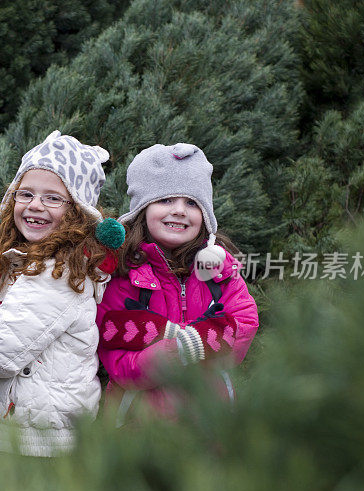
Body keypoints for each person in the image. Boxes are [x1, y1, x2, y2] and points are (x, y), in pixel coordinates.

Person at [0, 130, 124, 457]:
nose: (36, 205)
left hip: (47, 443)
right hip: (17, 429)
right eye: (26, 194)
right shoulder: (14, 261)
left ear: (78, 212)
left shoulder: (61, 271)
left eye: (53, 198)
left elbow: (2, 351)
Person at [96, 143, 258, 424]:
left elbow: (244, 322)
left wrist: (191, 343)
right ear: (142, 209)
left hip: (208, 422)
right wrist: (172, 353)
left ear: (205, 216)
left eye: (192, 203)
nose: (180, 211)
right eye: (166, 200)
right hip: (136, 425)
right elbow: (115, 349)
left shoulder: (219, 270)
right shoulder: (125, 274)